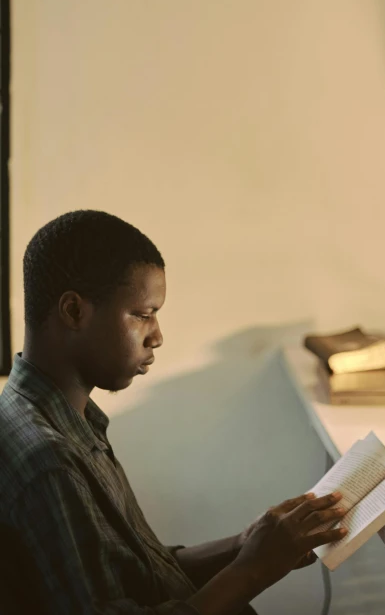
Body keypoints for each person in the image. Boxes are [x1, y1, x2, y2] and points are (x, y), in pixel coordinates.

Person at [0, 210, 347, 614]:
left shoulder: (63, 418)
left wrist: (246, 543)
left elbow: (143, 572)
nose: (157, 336)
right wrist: (254, 568)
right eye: (143, 315)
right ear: (74, 312)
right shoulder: (52, 462)